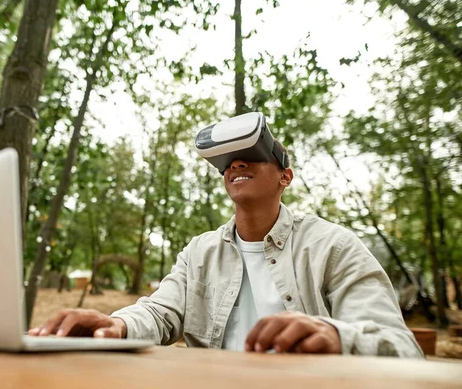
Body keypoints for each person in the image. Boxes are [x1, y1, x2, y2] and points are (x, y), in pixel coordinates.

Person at [29, 139, 423, 357]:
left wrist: (337, 336)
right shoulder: (199, 252)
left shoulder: (333, 246)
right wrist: (116, 325)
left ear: (285, 176)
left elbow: (402, 347)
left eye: (252, 155)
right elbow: (160, 311)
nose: (236, 164)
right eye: (227, 162)